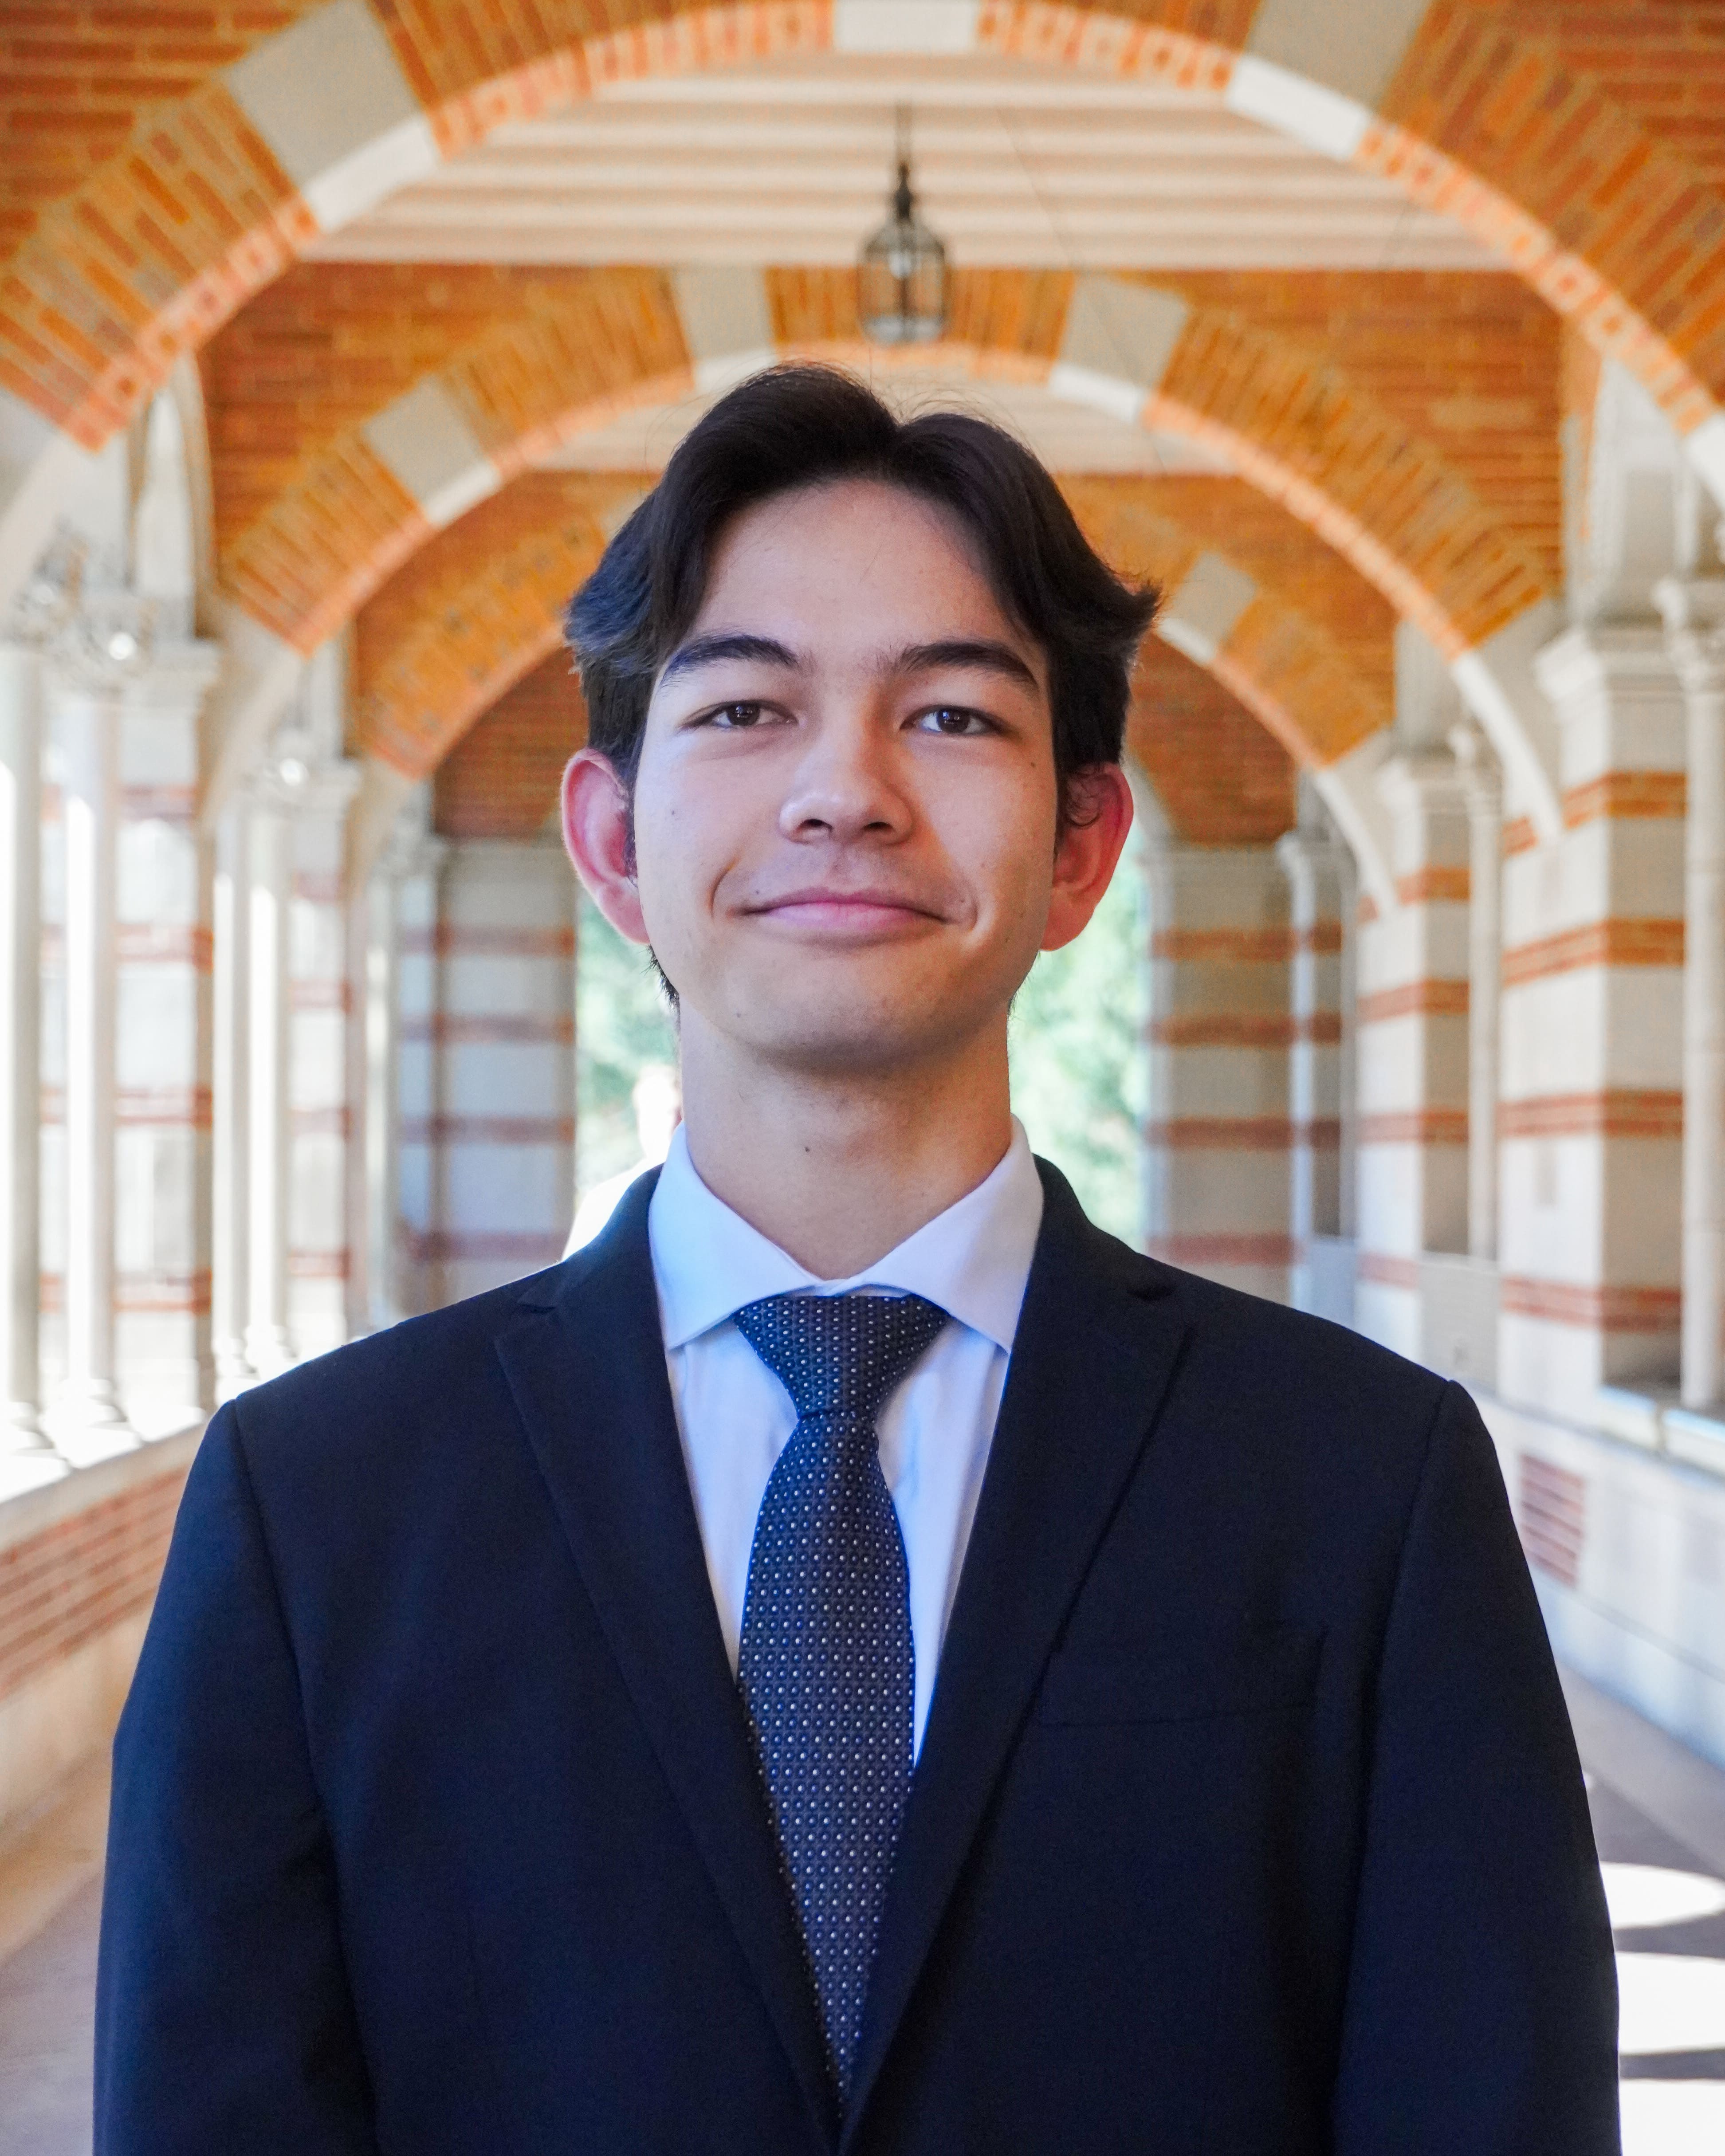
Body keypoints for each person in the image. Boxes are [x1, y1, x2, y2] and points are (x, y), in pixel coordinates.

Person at [95, 366, 1619, 2154]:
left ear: (1080, 845)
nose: (847, 790)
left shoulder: (1368, 1492)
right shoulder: (315, 1511)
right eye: (745, 707)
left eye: (955, 718)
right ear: (611, 840)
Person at [564, 1059, 681, 1256]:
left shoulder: (716, 1200)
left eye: (678, 1113)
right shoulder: (605, 1202)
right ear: (640, 1116)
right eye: (658, 1112)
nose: (670, 1124)